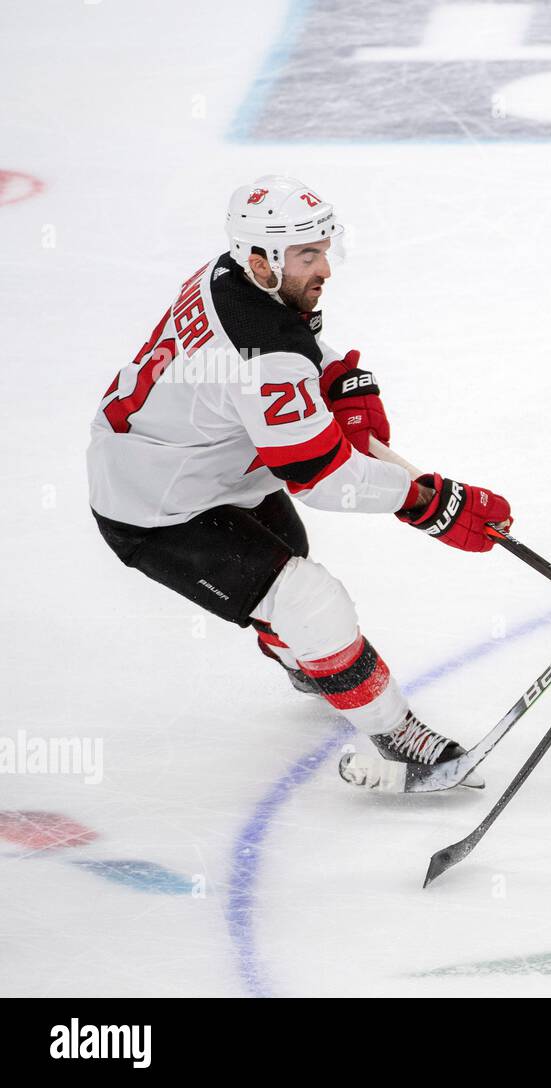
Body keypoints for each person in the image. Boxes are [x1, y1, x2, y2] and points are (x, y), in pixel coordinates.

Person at [87, 175, 511, 794]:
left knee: (289, 564)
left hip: (203, 461)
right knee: (309, 599)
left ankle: (306, 661)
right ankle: (398, 738)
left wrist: (340, 377)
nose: (325, 270)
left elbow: (292, 351)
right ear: (260, 260)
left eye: (323, 250)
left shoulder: (228, 275)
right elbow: (325, 478)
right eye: (307, 256)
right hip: (156, 506)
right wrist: (430, 501)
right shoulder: (265, 354)